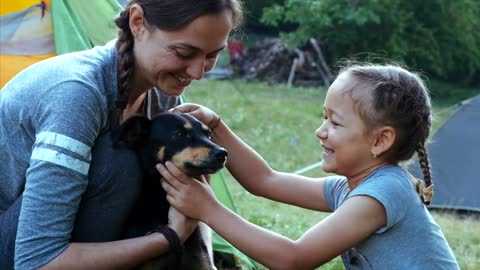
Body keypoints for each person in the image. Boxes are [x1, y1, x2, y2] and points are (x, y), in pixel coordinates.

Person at [0, 0, 243, 269]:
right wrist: (169, 238)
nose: (198, 72)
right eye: (184, 52)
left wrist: (203, 261)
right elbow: (35, 260)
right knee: (119, 160)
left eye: (212, 55)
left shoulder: (162, 92)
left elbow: (195, 189)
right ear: (137, 22)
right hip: (16, 244)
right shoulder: (77, 94)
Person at [159, 63, 460, 270]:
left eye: (335, 122)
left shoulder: (385, 191)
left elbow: (294, 259)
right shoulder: (352, 187)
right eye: (324, 116)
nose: (321, 130)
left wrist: (208, 210)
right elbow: (266, 181)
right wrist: (217, 125)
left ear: (380, 140)